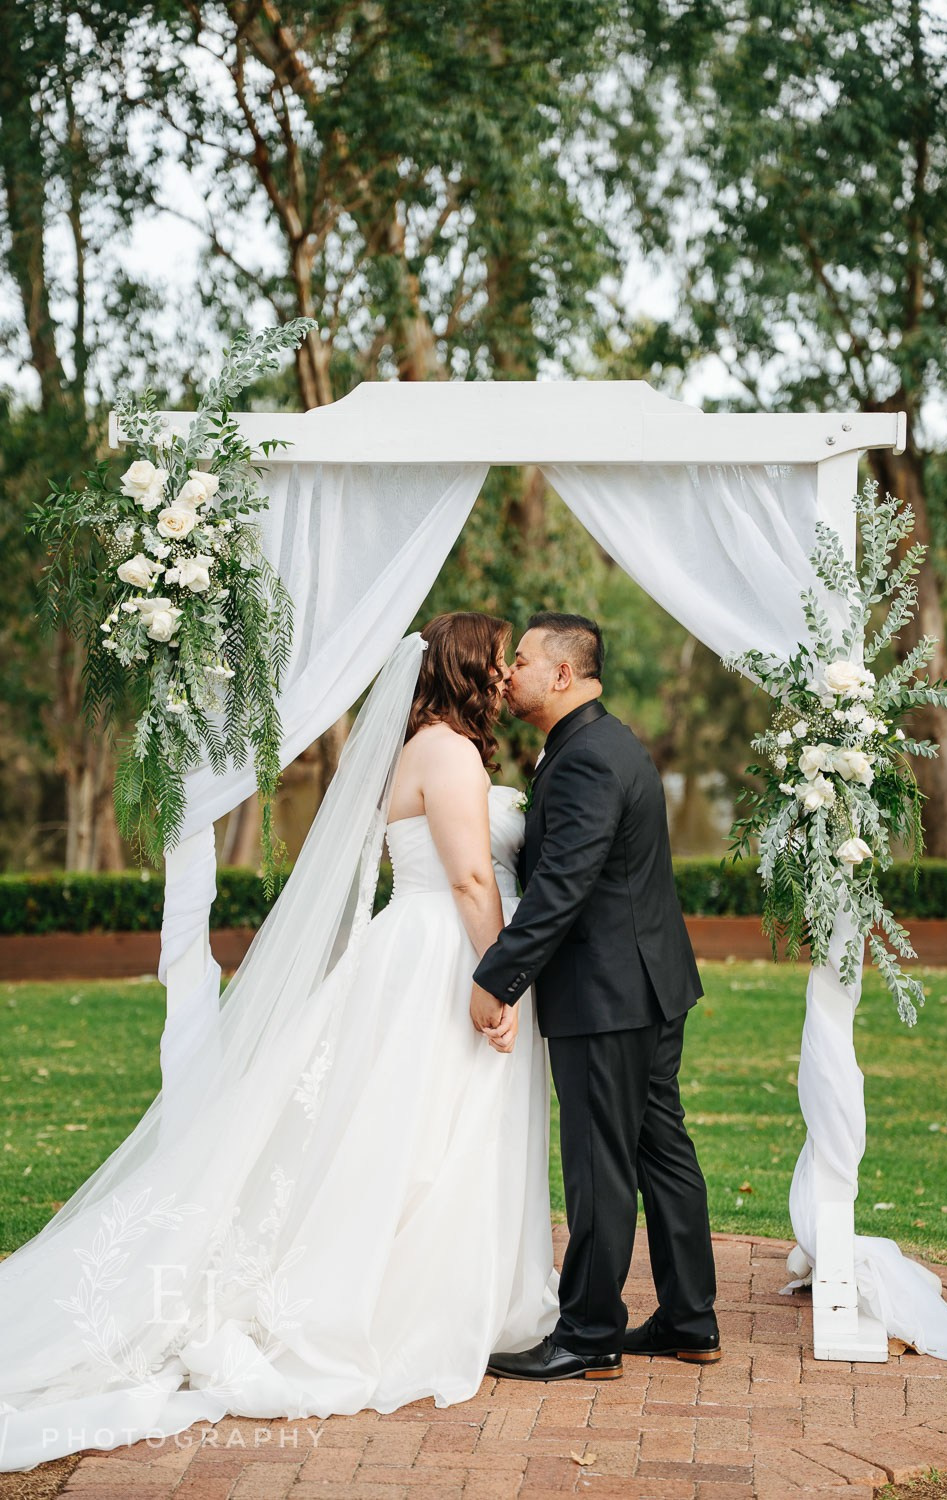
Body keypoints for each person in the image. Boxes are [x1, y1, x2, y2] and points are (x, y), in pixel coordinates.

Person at [0, 613, 557, 1472]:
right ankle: (399, 1300)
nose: (502, 674)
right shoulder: (446, 751)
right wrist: (498, 980)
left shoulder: (428, 745)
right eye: (494, 660)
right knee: (420, 1131)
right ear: (461, 671)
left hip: (421, 945)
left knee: (419, 1127)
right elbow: (471, 876)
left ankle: (445, 1290)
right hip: (443, 955)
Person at [472, 612, 720, 1383]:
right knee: (658, 1150)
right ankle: (689, 1320)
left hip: (608, 994)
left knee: (599, 1163)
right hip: (648, 984)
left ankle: (587, 1334)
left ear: (562, 675)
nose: (507, 672)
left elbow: (561, 890)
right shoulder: (603, 743)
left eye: (520, 660)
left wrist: (495, 977)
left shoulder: (584, 759)